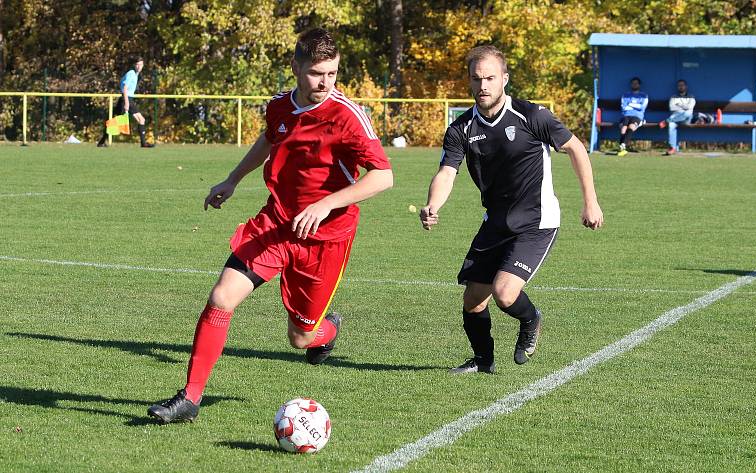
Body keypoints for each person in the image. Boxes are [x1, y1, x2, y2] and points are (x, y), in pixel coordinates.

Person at [147, 28, 393, 423]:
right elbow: (268, 139)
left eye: (332, 73)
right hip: (277, 223)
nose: (326, 82)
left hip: (325, 238)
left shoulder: (348, 116)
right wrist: (232, 179)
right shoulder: (279, 107)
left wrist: (324, 205)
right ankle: (190, 398)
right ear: (296, 67)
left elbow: (383, 176)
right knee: (221, 297)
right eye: (317, 73)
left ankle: (328, 330)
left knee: (300, 338)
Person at [419, 45, 603, 374]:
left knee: (505, 293)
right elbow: (447, 172)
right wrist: (433, 204)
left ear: (504, 78)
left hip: (537, 221)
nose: (483, 86)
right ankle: (483, 362)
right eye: (477, 79)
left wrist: (590, 201)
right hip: (496, 223)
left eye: (490, 78)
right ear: (470, 82)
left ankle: (531, 320)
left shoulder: (532, 116)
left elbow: (575, 148)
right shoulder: (460, 129)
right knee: (474, 299)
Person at [97, 56, 155, 148]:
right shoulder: (131, 74)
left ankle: (102, 141)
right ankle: (143, 143)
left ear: (143, 65)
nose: (139, 67)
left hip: (126, 99)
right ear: (134, 65)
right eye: (137, 65)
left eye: (140, 65)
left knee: (116, 121)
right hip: (126, 99)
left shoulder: (135, 74)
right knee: (130, 121)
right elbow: (124, 88)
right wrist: (127, 103)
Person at [659, 79, 695, 155]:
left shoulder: (691, 96)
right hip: (675, 117)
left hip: (686, 119)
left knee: (687, 113)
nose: (681, 87)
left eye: (682, 85)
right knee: (671, 125)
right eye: (679, 85)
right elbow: (672, 108)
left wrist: (679, 105)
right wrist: (683, 108)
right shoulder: (673, 97)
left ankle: (667, 121)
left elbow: (690, 107)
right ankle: (673, 148)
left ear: (686, 86)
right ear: (677, 87)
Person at [617, 77, 648, 156]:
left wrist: (630, 105)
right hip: (626, 115)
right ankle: (622, 147)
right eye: (633, 83)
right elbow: (623, 107)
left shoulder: (644, 96)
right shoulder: (626, 95)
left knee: (631, 127)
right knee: (623, 128)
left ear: (639, 85)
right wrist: (636, 106)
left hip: (637, 116)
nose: (634, 85)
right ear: (631, 85)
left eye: (636, 83)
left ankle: (622, 146)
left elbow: (642, 107)